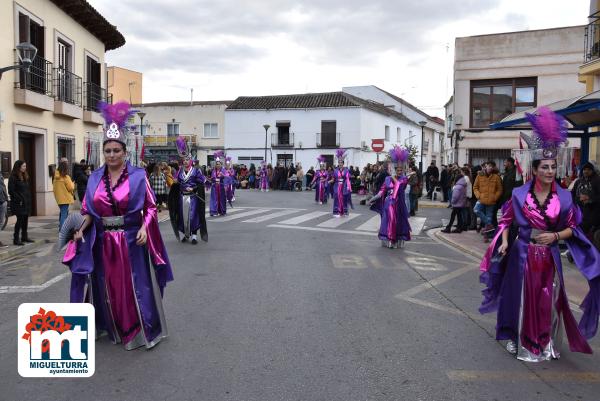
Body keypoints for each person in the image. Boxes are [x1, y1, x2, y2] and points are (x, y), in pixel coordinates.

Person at [479, 107, 600, 362]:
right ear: (534, 169)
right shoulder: (519, 194)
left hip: (549, 257)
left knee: (548, 300)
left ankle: (545, 343)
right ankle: (513, 337)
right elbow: (506, 222)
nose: (549, 171)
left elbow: (573, 228)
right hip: (522, 253)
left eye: (553, 167)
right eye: (544, 167)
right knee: (518, 298)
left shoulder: (565, 197)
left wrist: (556, 237)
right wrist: (502, 243)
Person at [66, 101, 173, 350]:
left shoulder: (138, 176)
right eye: (108, 151)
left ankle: (138, 330)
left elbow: (150, 207)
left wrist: (146, 227)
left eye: (116, 150)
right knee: (107, 286)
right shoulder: (94, 178)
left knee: (133, 286)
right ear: (103, 153)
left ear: (125, 151)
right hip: (103, 242)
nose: (112, 155)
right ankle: (110, 326)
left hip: (131, 240)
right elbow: (87, 211)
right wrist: (81, 228)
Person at [369, 146, 411, 248]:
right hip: (389, 203)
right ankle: (389, 240)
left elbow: (400, 186)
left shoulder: (404, 179)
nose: (399, 172)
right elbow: (382, 190)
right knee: (389, 220)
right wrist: (375, 197)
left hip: (399, 204)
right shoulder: (387, 179)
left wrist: (394, 177)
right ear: (394, 169)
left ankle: (396, 240)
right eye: (397, 170)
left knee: (398, 222)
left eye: (401, 170)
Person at [172, 136, 208, 243]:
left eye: (187, 159)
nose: (185, 162)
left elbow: (202, 182)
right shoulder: (179, 171)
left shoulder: (196, 171)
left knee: (193, 216)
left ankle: (194, 236)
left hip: (193, 197)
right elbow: (177, 183)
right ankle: (183, 234)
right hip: (182, 197)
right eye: (183, 160)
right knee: (182, 216)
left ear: (191, 160)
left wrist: (193, 187)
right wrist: (175, 182)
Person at [572, 161, 600, 249]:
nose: (586, 171)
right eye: (584, 169)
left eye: (588, 169)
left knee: (592, 234)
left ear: (592, 171)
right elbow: (573, 194)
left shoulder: (597, 181)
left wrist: (590, 199)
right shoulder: (579, 181)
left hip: (594, 213)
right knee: (580, 232)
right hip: (581, 212)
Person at [473, 161, 502, 239]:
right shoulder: (480, 175)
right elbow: (475, 187)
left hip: (491, 201)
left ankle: (486, 236)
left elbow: (499, 189)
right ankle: (490, 225)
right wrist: (478, 195)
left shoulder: (496, 177)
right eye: (489, 166)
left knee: (489, 216)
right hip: (481, 199)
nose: (490, 167)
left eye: (492, 166)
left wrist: (495, 197)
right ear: (485, 166)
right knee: (476, 210)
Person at [8, 160, 33, 246]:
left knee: (25, 219)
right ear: (18, 167)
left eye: (25, 166)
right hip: (18, 203)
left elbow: (25, 189)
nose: (25, 168)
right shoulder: (13, 177)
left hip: (26, 202)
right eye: (23, 166)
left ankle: (24, 237)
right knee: (19, 220)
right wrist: (20, 199)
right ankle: (16, 239)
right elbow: (11, 191)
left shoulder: (24, 175)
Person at [441, 168, 467, 233]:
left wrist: (452, 202)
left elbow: (455, 196)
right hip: (461, 203)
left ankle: (448, 228)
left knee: (453, 216)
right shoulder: (463, 185)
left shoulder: (457, 186)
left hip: (457, 204)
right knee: (459, 216)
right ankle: (459, 228)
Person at [329, 149, 352, 217]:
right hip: (337, 186)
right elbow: (333, 179)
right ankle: (336, 212)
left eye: (341, 162)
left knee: (344, 198)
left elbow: (348, 179)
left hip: (344, 186)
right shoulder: (335, 171)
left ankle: (345, 211)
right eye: (339, 162)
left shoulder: (346, 170)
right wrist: (328, 181)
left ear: (343, 163)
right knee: (336, 197)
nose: (340, 164)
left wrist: (349, 187)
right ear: (338, 163)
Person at [53, 161, 75, 230]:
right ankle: (63, 230)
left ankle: (61, 227)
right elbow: (71, 188)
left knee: (63, 213)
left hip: (59, 198)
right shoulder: (66, 177)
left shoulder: (55, 177)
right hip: (65, 198)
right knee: (64, 214)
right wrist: (73, 183)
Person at [209, 151, 227, 216]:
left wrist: (223, 176)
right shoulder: (213, 171)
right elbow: (212, 177)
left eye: (219, 164)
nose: (218, 165)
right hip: (214, 187)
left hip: (221, 187)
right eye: (217, 164)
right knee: (214, 199)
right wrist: (211, 179)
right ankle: (214, 211)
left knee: (221, 199)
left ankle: (221, 211)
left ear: (221, 165)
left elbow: (227, 177)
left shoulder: (223, 170)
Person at [0, 176, 9, 247]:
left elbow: (3, 188)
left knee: (1, 222)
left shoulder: (0, 175)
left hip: (2, 201)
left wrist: (6, 199)